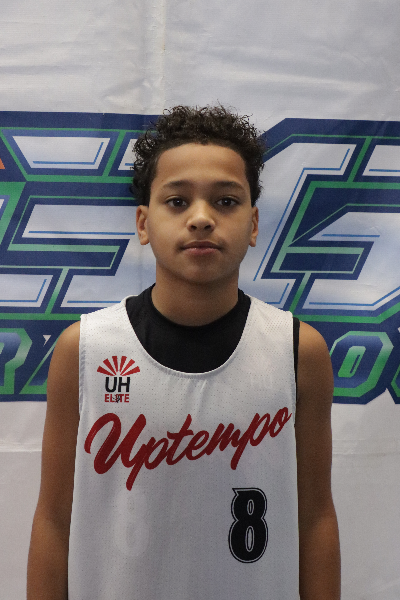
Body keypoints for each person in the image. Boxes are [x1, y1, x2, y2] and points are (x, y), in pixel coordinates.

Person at [27, 105, 340, 599]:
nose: (201, 218)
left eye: (226, 201)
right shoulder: (85, 349)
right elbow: (53, 520)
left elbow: (315, 516)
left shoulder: (298, 350)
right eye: (177, 201)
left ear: (253, 223)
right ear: (143, 222)